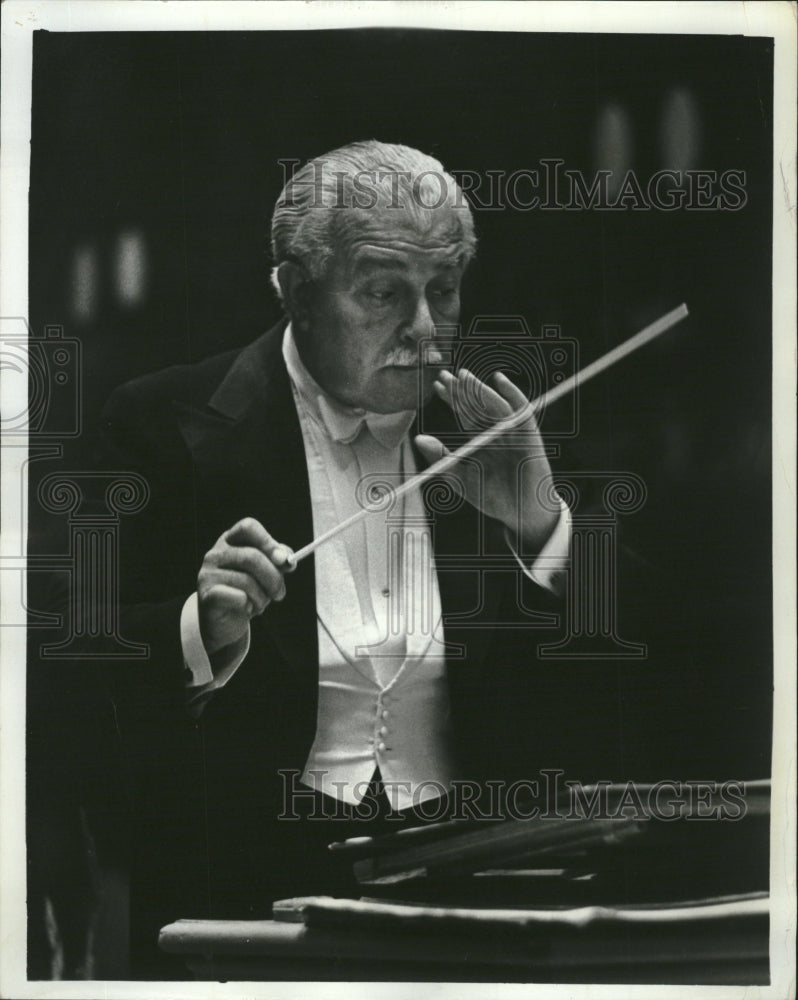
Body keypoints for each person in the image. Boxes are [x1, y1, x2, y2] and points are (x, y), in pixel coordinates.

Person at [84, 140, 572, 973]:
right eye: (384, 293)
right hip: (241, 910)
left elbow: (648, 682)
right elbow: (64, 674)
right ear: (296, 292)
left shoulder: (492, 431)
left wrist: (540, 524)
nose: (424, 329)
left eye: (443, 291)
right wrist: (199, 632)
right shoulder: (159, 423)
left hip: (475, 906)